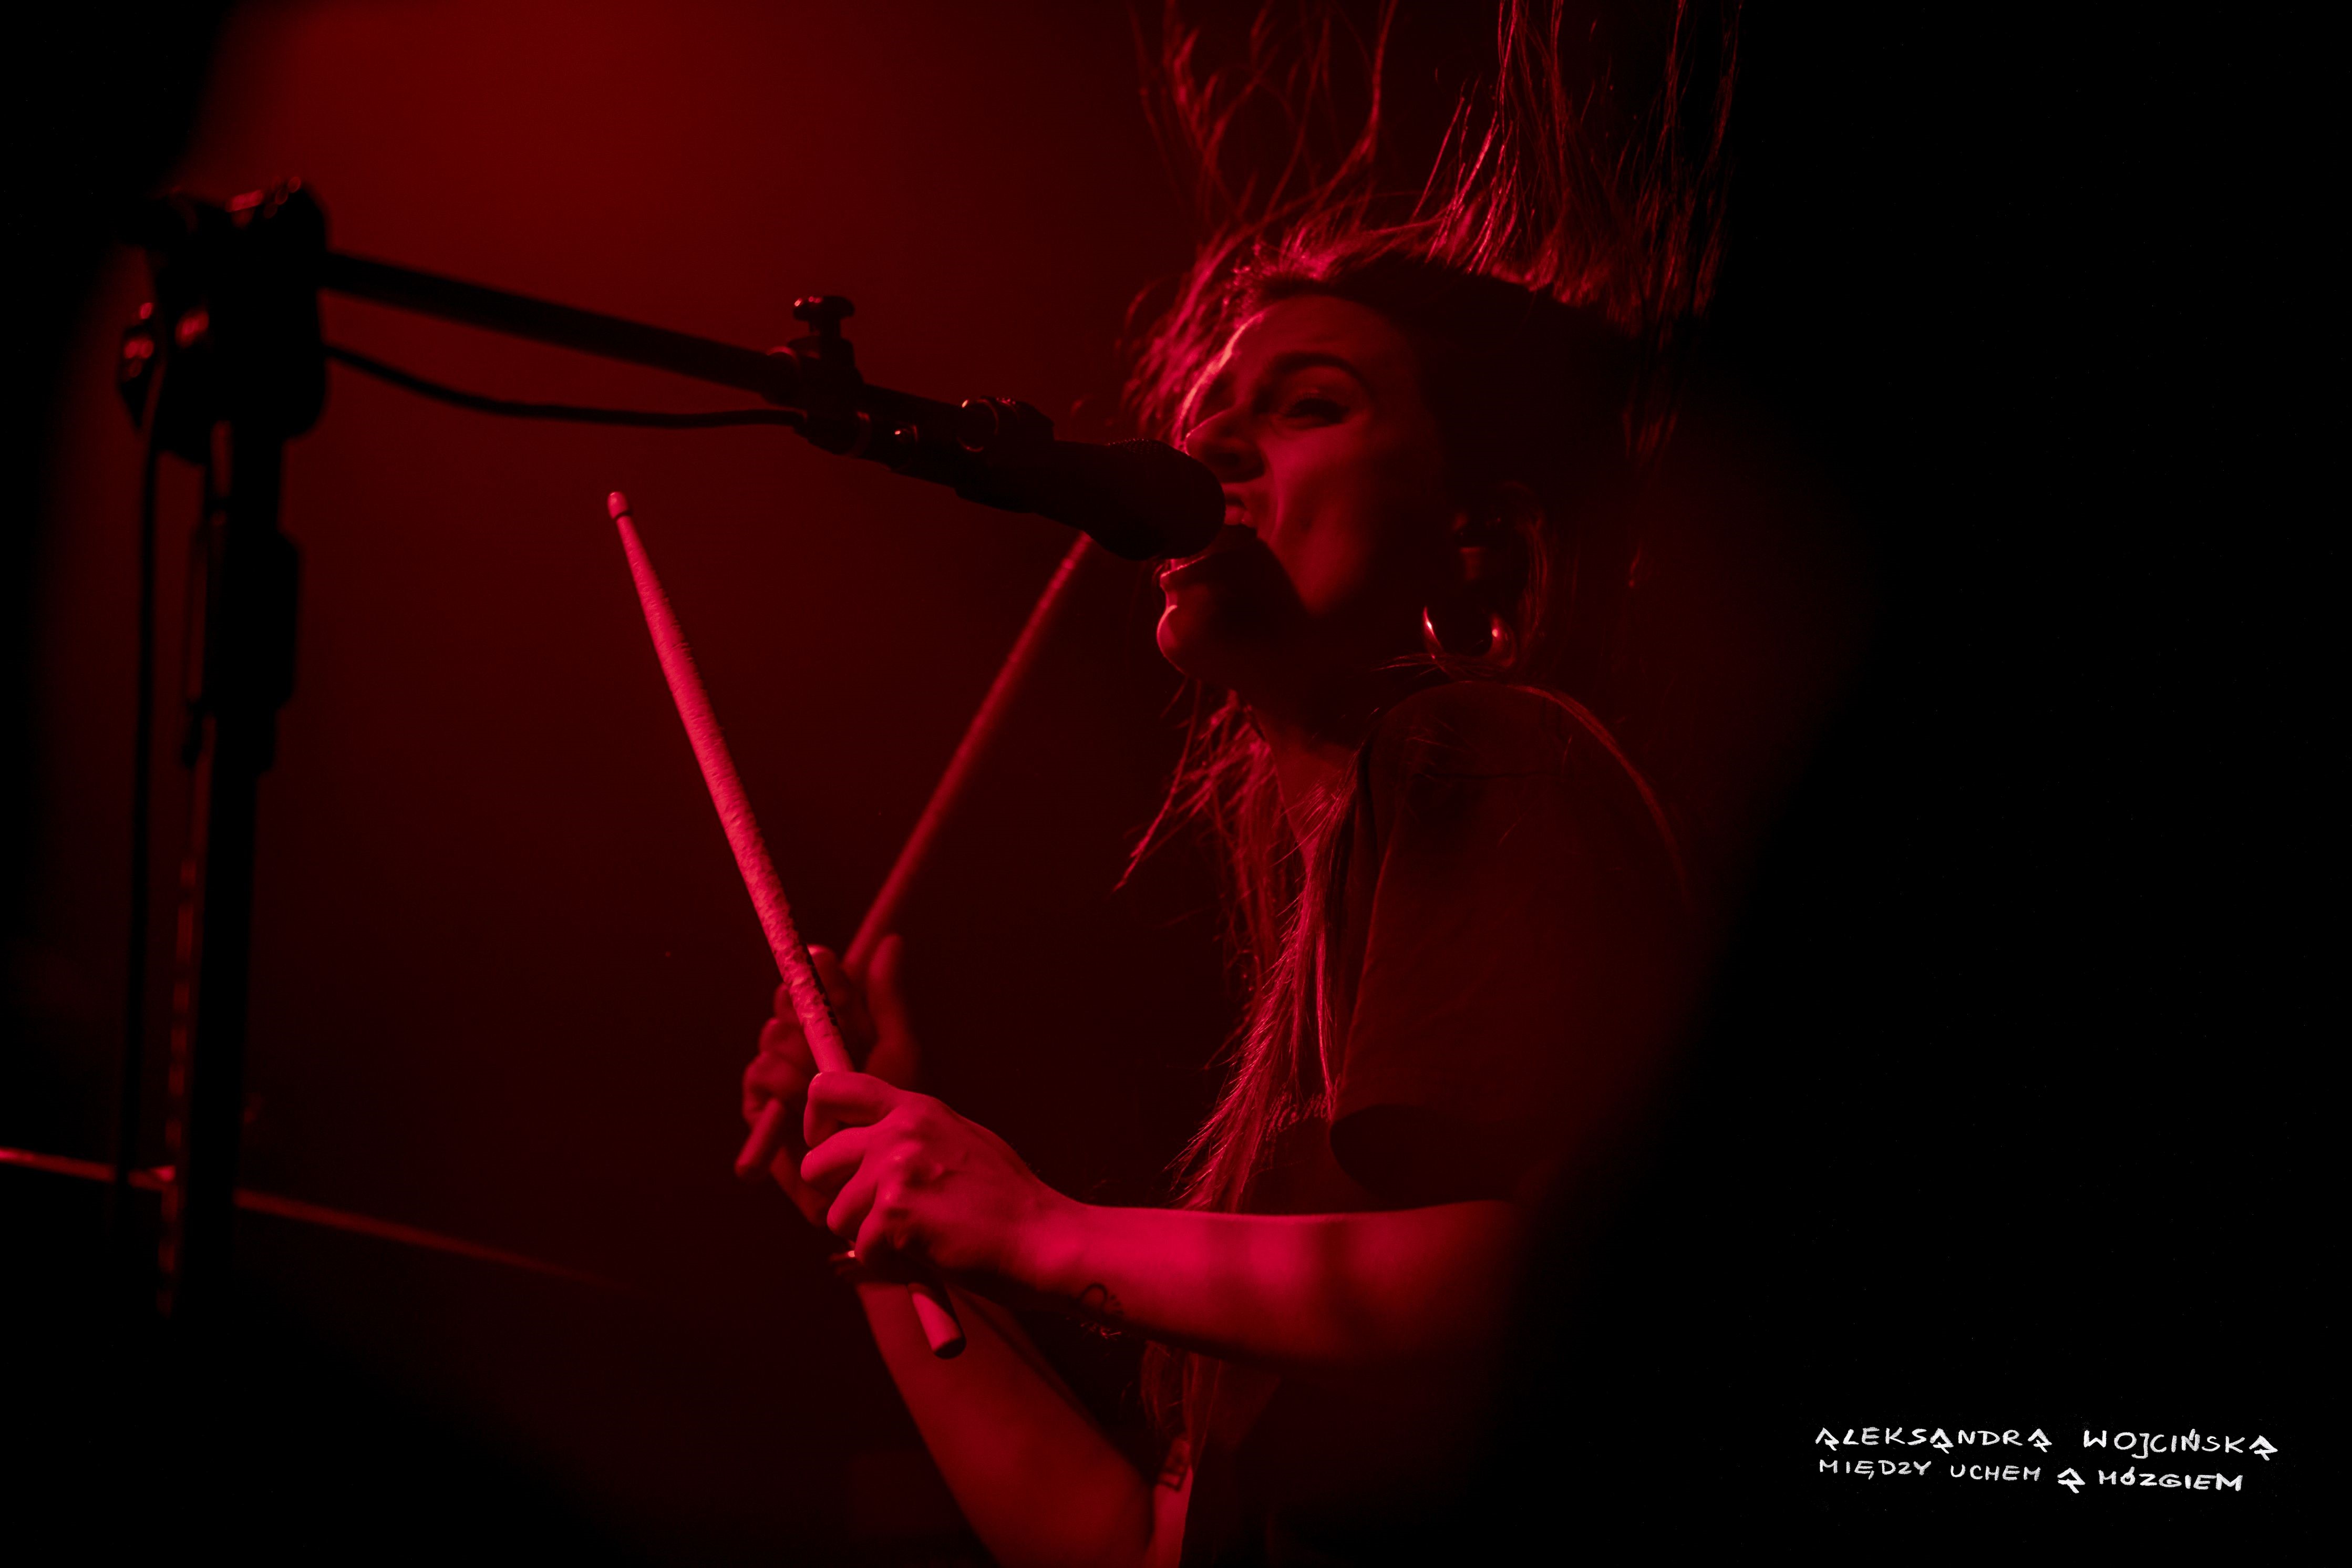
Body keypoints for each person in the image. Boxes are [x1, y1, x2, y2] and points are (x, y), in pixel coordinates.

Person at [739, 5, 1734, 1561]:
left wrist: (1041, 1229)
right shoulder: (1338, 931)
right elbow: (1127, 1543)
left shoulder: (1483, 745)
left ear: (1477, 542)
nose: (1209, 448)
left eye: (1309, 405)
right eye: (1207, 418)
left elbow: (1521, 1292)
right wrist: (882, 1220)